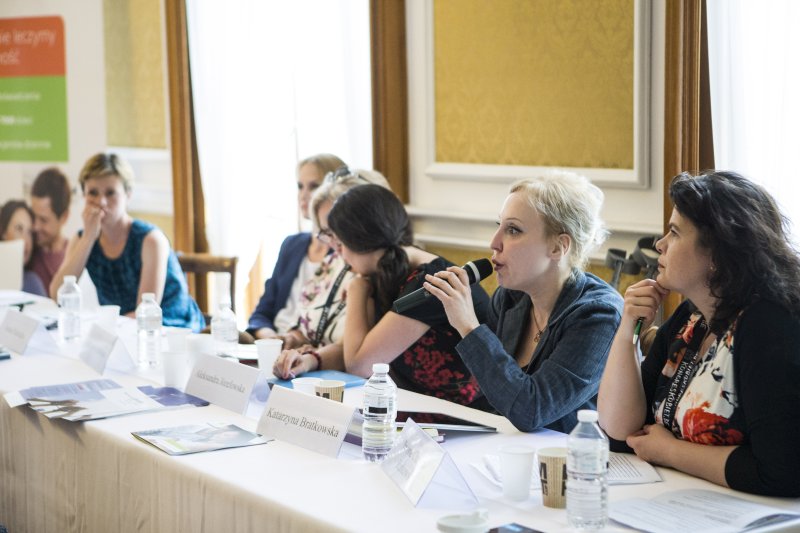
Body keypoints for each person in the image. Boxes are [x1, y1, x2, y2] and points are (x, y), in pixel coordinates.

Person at [597, 171, 800, 497]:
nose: (660, 244)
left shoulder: (768, 325)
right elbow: (621, 433)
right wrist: (627, 330)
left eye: (675, 232)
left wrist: (670, 452)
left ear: (717, 254)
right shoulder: (691, 318)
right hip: (683, 502)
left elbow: (780, 471)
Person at [424, 172, 623, 432]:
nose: (494, 243)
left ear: (558, 247)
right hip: (514, 447)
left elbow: (531, 410)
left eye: (513, 230)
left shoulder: (599, 315)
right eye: (499, 226)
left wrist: (468, 327)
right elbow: (496, 397)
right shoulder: (510, 298)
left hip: (577, 454)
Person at [323, 184, 491, 407]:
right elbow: (350, 346)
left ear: (360, 241)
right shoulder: (387, 273)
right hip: (421, 408)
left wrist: (356, 290)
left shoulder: (430, 284)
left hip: (464, 416)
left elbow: (359, 366)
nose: (339, 253)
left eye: (340, 244)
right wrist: (309, 360)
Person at [50, 153, 204, 331]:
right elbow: (57, 294)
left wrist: (98, 325)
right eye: (93, 193)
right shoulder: (82, 239)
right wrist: (89, 238)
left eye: (110, 193)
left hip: (171, 328)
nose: (101, 202)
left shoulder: (150, 240)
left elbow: (145, 312)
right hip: (124, 330)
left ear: (128, 194)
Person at [272, 168, 390, 377]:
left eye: (337, 230)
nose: (334, 243)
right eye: (326, 232)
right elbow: (309, 322)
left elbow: (354, 358)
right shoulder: (332, 262)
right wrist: (293, 338)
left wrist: (310, 359)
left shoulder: (375, 273)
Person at [247, 154, 345, 341]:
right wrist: (269, 337)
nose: (303, 195)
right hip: (273, 341)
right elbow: (262, 312)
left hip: (310, 346)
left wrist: (292, 341)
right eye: (300, 186)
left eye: (314, 186)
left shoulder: (344, 252)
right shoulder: (291, 245)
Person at [29, 167, 72, 290]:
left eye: (43, 220)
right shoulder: (28, 252)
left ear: (64, 217)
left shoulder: (74, 258)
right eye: (33, 216)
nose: (35, 226)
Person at [0, 200, 47, 296]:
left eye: (29, 232)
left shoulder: (32, 283)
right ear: (3, 232)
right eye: (19, 228)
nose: (26, 240)